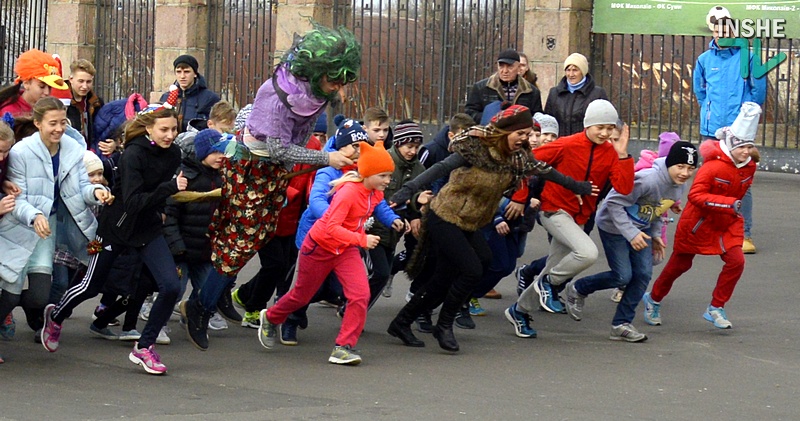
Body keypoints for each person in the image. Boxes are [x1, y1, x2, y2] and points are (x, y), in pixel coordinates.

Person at [180, 23, 362, 351]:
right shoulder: (278, 96)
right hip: (250, 168)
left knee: (255, 239)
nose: (339, 89)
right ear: (318, 71)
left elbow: (297, 137)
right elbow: (280, 148)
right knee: (238, 245)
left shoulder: (315, 90)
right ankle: (200, 306)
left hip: (272, 172)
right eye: (335, 81)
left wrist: (335, 100)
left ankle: (211, 299)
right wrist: (329, 159)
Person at [387, 105, 593, 352]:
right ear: (505, 131)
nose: (525, 139)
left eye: (528, 134)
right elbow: (440, 168)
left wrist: (577, 186)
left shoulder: (519, 157)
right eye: (521, 133)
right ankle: (444, 325)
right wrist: (409, 190)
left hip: (471, 220)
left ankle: (402, 322)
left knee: (464, 268)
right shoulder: (476, 149)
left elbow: (546, 171)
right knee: (471, 269)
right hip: (445, 216)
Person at [40, 103, 185, 375]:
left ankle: (145, 346)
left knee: (171, 286)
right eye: (164, 129)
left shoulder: (173, 153)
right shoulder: (133, 155)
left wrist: (164, 207)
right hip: (112, 230)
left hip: (147, 231)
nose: (170, 135)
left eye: (174, 129)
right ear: (148, 128)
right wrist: (169, 189)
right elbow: (132, 202)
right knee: (91, 285)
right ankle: (56, 315)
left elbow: (158, 194)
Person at [258, 140, 406, 365]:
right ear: (368, 173)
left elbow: (379, 206)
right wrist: (362, 239)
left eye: (389, 175)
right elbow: (331, 228)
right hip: (319, 247)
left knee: (360, 294)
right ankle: (270, 317)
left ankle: (344, 346)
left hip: (345, 249)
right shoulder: (348, 193)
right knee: (301, 295)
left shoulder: (374, 192)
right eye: (383, 175)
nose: (388, 180)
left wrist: (393, 220)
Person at [507, 99, 633, 338]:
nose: (605, 133)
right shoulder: (567, 145)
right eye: (600, 127)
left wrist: (623, 154)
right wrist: (521, 197)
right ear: (587, 125)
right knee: (587, 253)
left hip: (579, 217)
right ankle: (549, 285)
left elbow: (624, 188)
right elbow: (526, 163)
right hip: (553, 210)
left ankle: (519, 311)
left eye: (609, 128)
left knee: (552, 268)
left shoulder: (611, 152)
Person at [0, 97, 111, 349]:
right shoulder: (21, 151)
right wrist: (34, 215)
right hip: (19, 226)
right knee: (10, 293)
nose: (59, 128)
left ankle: (30, 315)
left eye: (63, 122)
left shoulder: (73, 149)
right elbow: (17, 198)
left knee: (40, 295)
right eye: (53, 123)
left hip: (46, 228)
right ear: (38, 123)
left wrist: (95, 192)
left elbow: (81, 187)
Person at [564, 141, 698, 342]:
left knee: (643, 274)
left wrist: (654, 235)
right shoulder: (647, 180)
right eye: (680, 166)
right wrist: (630, 233)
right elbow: (613, 203)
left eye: (690, 168)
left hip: (641, 229)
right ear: (670, 163)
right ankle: (578, 288)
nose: (685, 173)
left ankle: (621, 324)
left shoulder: (678, 186)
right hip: (614, 227)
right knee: (622, 276)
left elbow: (657, 209)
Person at [643, 103, 760, 330]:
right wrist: (728, 204)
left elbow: (743, 188)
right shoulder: (712, 167)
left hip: (727, 223)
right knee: (680, 265)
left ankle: (716, 306)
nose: (746, 151)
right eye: (741, 146)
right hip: (698, 223)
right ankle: (654, 298)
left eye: (749, 146)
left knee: (736, 261)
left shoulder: (750, 166)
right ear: (730, 145)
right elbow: (696, 195)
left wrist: (731, 208)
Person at [694, 6, 766, 254]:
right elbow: (700, 92)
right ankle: (711, 230)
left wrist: (743, 120)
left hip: (739, 132)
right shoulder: (704, 60)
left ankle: (744, 235)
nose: (719, 34)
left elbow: (759, 92)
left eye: (724, 29)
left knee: (741, 183)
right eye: (715, 29)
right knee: (710, 181)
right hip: (712, 130)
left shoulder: (748, 58)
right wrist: (709, 113)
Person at [163, 129, 230, 329]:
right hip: (182, 249)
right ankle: (159, 325)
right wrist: (177, 246)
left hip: (206, 248)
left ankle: (190, 314)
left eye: (222, 152)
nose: (220, 157)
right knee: (174, 290)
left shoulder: (222, 177)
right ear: (202, 153)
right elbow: (170, 215)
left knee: (207, 288)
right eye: (215, 152)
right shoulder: (186, 177)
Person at [369, 120, 426, 303]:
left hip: (395, 231)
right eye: (409, 146)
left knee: (382, 275)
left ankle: (354, 307)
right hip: (373, 229)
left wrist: (417, 206)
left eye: (416, 147)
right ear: (398, 143)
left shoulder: (419, 168)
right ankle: (353, 307)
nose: (413, 151)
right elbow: (371, 194)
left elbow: (415, 198)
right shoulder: (383, 160)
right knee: (379, 273)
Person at [465, 49, 543, 125]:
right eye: (501, 66)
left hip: (520, 134)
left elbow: (537, 117)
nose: (505, 71)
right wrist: (489, 118)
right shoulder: (481, 87)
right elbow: (469, 113)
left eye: (510, 67)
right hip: (490, 133)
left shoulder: (531, 91)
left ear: (519, 68)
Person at [544, 53, 608, 137]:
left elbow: (604, 121)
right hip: (560, 144)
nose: (571, 74)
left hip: (584, 144)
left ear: (583, 71)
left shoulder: (597, 93)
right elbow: (548, 121)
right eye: (568, 70)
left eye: (575, 70)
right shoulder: (554, 93)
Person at [159, 54, 221, 132]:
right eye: (178, 72)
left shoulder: (210, 98)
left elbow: (219, 126)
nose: (182, 76)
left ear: (195, 74)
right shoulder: (166, 97)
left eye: (186, 72)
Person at [0, 49, 69, 117]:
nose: (47, 92)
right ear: (26, 84)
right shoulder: (10, 112)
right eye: (42, 86)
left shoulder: (49, 108)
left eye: (50, 87)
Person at [65, 59, 106, 152]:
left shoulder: (97, 103)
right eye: (81, 81)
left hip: (91, 152)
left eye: (88, 82)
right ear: (71, 79)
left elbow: (103, 129)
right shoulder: (63, 102)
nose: (85, 86)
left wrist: (113, 143)